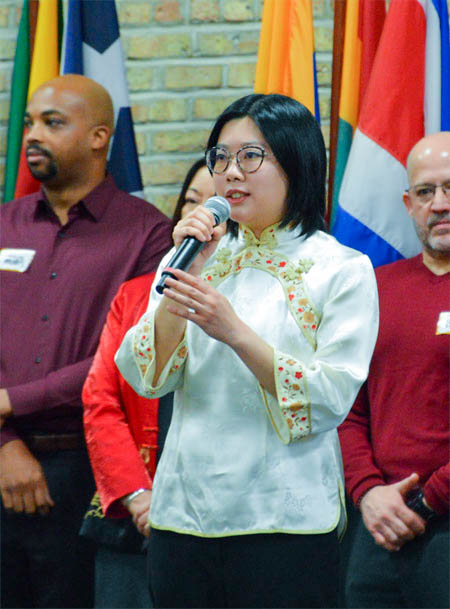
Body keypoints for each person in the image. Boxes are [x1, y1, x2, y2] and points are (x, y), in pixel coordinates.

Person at [115, 93, 379, 609]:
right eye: (220, 157)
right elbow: (146, 374)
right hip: (183, 518)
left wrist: (234, 331)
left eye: (251, 156)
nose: (231, 172)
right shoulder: (193, 254)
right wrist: (187, 271)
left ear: (297, 163)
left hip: (285, 525)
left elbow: (329, 398)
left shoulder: (341, 269)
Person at [0, 74, 172, 609]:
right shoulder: (5, 224)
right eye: (30, 122)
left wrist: (12, 401)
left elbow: (126, 355)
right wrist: (5, 442)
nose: (33, 135)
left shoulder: (149, 234)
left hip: (87, 466)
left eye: (52, 123)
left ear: (99, 137)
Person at [81, 158, 214, 609]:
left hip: (220, 516)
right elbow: (100, 398)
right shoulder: (137, 293)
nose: (200, 215)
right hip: (134, 509)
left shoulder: (256, 298)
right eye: (191, 201)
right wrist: (139, 496)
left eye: (217, 205)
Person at [338, 131, 450, 609]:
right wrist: (368, 492)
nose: (439, 204)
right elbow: (345, 408)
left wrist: (429, 500)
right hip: (378, 526)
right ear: (408, 204)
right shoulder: (372, 289)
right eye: (426, 191)